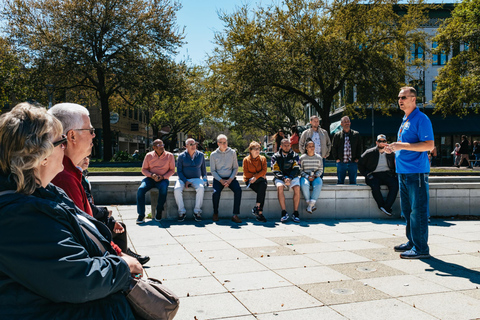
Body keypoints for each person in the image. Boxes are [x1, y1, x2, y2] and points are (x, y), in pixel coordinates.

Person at [0, 103, 141, 319]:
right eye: (61, 142)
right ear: (42, 156)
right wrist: (121, 266)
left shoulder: (40, 192)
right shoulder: (19, 216)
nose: (65, 148)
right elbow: (76, 279)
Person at [49, 103, 148, 264]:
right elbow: (84, 239)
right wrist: (121, 259)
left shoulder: (70, 173)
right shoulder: (63, 178)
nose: (94, 135)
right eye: (90, 130)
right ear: (72, 136)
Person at [387, 86, 434, 259]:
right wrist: (393, 148)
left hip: (417, 172)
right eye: (399, 97)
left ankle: (421, 248)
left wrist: (401, 145)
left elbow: (429, 145)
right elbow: (405, 145)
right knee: (407, 211)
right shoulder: (405, 119)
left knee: (418, 210)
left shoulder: (421, 119)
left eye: (404, 97)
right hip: (404, 172)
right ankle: (412, 242)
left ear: (413, 99)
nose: (400, 100)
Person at [136, 139, 175, 224]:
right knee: (141, 189)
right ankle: (141, 215)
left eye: (162, 145)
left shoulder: (169, 155)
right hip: (150, 178)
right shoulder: (149, 156)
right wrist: (151, 175)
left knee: (164, 188)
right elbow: (144, 170)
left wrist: (163, 177)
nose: (162, 147)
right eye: (159, 145)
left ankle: (159, 210)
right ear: (154, 147)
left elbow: (172, 170)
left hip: (163, 179)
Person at [358, 134, 398, 216]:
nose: (382, 143)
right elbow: (360, 164)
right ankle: (381, 205)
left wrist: (394, 174)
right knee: (374, 186)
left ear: (386, 142)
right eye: (380, 141)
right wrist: (366, 174)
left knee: (395, 185)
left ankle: (387, 207)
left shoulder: (391, 153)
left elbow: (395, 164)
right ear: (376, 142)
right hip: (373, 174)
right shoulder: (370, 152)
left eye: (384, 141)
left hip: (387, 173)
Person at [210, 134, 243, 223]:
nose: (225, 144)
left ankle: (235, 215)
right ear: (218, 144)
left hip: (230, 178)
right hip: (218, 179)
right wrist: (221, 180)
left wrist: (230, 180)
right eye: (222, 143)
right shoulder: (213, 155)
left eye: (226, 142)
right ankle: (215, 213)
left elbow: (235, 168)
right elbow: (213, 171)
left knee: (238, 190)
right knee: (215, 193)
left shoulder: (232, 152)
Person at [174, 138, 208, 221]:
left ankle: (197, 211)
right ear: (186, 146)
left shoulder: (200, 155)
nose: (193, 146)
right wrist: (185, 181)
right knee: (177, 189)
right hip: (183, 179)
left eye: (194, 144)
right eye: (191, 144)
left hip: (196, 179)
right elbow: (179, 171)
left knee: (200, 188)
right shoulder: (181, 156)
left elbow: (204, 170)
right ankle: (181, 212)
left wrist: (205, 181)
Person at [271, 138, 301, 223]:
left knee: (297, 187)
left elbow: (297, 168)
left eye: (288, 145)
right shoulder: (275, 156)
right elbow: (275, 170)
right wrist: (284, 178)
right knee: (280, 187)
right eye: (285, 145)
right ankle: (284, 212)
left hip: (292, 176)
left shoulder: (295, 155)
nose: (287, 147)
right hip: (280, 177)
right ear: (281, 146)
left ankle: (295, 213)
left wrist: (290, 177)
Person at [332, 116, 362, 184]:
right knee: (340, 182)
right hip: (341, 162)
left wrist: (357, 158)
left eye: (348, 121)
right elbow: (334, 147)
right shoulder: (337, 135)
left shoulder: (356, 134)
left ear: (350, 123)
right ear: (341, 124)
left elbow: (359, 147)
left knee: (353, 181)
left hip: (353, 162)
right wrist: (336, 158)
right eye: (345, 122)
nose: (347, 123)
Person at [243, 141, 268, 222]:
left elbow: (264, 171)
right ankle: (259, 213)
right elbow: (246, 174)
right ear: (250, 150)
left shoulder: (262, 159)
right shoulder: (246, 160)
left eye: (259, 149)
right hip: (250, 181)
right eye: (255, 149)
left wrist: (256, 177)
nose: (258, 151)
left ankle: (257, 208)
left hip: (259, 180)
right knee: (262, 189)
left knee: (263, 185)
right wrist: (257, 175)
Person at [299, 140, 324, 214]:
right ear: (306, 148)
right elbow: (300, 170)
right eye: (309, 146)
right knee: (304, 184)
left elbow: (320, 169)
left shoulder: (319, 157)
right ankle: (311, 205)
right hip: (305, 176)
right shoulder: (302, 158)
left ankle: (310, 205)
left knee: (319, 183)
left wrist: (315, 175)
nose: (311, 148)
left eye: (313, 146)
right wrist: (307, 176)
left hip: (315, 176)